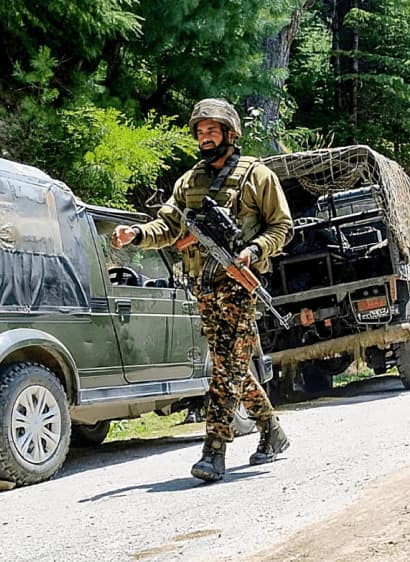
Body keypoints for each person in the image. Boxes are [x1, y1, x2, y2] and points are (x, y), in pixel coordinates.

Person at [111, 98, 292, 482]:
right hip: (204, 287)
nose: (205, 137)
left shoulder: (256, 176)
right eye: (201, 131)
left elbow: (282, 226)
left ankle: (214, 451)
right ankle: (272, 431)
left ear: (230, 132)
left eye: (213, 130)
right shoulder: (189, 182)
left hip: (239, 286)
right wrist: (136, 234)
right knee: (235, 370)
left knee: (226, 368)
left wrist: (252, 250)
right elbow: (168, 226)